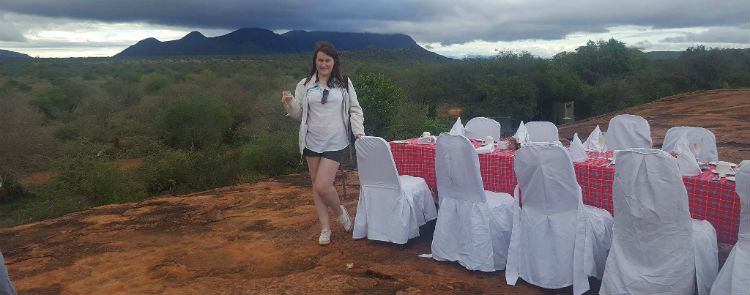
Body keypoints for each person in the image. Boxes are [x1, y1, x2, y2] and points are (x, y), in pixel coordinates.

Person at [281, 41, 365, 246]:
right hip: (312, 141)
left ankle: (340, 213)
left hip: (336, 141)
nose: (323, 64)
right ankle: (325, 228)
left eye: (327, 60)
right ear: (315, 61)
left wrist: (358, 131)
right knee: (316, 187)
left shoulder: (344, 83)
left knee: (323, 184)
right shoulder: (304, 84)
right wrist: (290, 103)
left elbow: (355, 109)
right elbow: (299, 115)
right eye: (320, 60)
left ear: (334, 61)